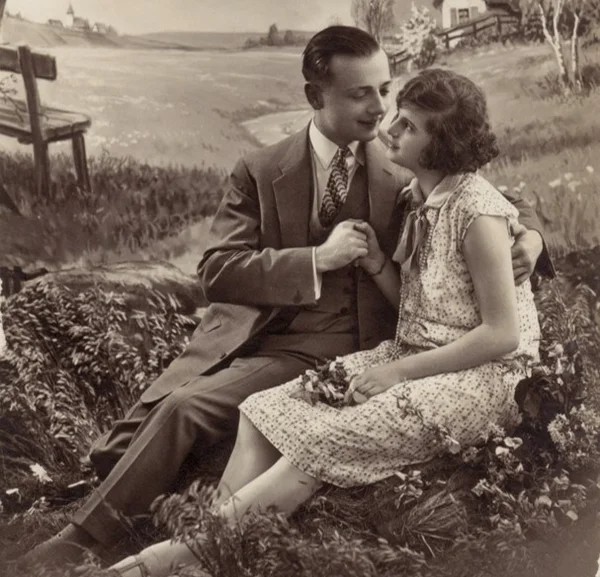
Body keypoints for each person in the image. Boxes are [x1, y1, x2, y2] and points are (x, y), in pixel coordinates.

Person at [26, 27, 551, 568]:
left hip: (364, 342)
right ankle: (141, 538)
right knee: (172, 414)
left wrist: (532, 238)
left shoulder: (403, 159)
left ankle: (108, 543)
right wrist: (316, 259)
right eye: (360, 94)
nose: (379, 110)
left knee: (188, 409)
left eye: (383, 90)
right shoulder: (261, 169)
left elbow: (483, 192)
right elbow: (217, 271)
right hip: (275, 340)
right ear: (315, 96)